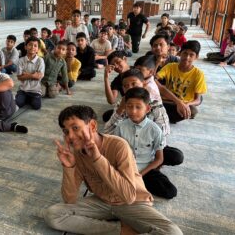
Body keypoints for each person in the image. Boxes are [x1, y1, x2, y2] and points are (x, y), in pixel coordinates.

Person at [43, 105, 183, 235]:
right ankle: (121, 231)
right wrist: (69, 167)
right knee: (53, 214)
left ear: (92, 126)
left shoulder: (118, 145)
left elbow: (128, 196)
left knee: (173, 232)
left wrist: (97, 159)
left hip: (133, 204)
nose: (70, 136)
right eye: (66, 132)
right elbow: (70, 199)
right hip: (102, 202)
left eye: (75, 128)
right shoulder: (77, 154)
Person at [114, 87, 179, 199]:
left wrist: (139, 175)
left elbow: (159, 159)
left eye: (138, 107)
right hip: (125, 168)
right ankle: (134, 186)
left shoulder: (155, 129)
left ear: (148, 108)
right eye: (129, 106)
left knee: (170, 192)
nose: (133, 111)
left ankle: (137, 185)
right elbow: (114, 152)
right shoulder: (121, 127)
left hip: (145, 170)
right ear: (125, 107)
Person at [156, 40, 207, 123]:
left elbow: (198, 100)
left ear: (196, 57)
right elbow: (154, 79)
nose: (187, 57)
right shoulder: (170, 66)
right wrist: (158, 63)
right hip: (167, 100)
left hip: (183, 103)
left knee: (192, 111)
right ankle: (165, 117)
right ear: (180, 53)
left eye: (191, 55)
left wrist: (186, 105)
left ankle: (164, 116)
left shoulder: (198, 74)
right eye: (185, 53)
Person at [15, 36, 45, 110]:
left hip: (36, 90)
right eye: (30, 45)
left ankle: (29, 99)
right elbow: (19, 77)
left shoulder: (40, 60)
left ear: (38, 49)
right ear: (25, 47)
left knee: (36, 106)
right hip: (23, 89)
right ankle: (25, 98)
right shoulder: (21, 60)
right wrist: (33, 75)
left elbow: (39, 76)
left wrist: (26, 74)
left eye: (35, 45)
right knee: (18, 103)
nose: (32, 47)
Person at [103, 51, 131, 122]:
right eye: (113, 65)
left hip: (141, 103)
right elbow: (111, 101)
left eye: (118, 62)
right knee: (106, 116)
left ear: (125, 59)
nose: (117, 66)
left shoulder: (137, 71)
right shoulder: (117, 80)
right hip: (128, 105)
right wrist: (106, 78)